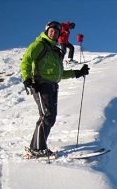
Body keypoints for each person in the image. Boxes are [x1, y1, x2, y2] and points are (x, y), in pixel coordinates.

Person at [20, 21, 90, 158]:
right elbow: (26, 61)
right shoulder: (39, 45)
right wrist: (27, 80)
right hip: (40, 84)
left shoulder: (55, 51)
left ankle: (35, 147)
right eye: (51, 31)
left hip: (52, 86)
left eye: (56, 32)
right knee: (47, 116)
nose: (53, 33)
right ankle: (38, 148)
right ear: (47, 31)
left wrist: (77, 73)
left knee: (49, 118)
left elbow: (60, 73)